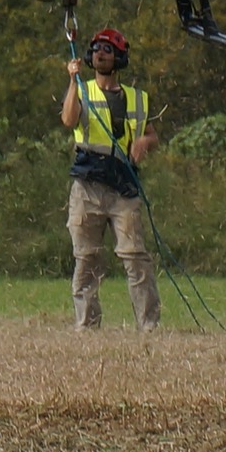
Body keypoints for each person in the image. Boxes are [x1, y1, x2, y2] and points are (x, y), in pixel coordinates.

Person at [60, 27, 160, 331]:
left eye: (107, 49)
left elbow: (152, 133)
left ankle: (149, 327)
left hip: (123, 187)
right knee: (86, 260)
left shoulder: (137, 98)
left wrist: (144, 143)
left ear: (119, 57)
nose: (101, 53)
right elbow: (69, 119)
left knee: (135, 258)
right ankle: (87, 326)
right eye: (96, 49)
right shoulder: (83, 89)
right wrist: (72, 82)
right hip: (88, 185)